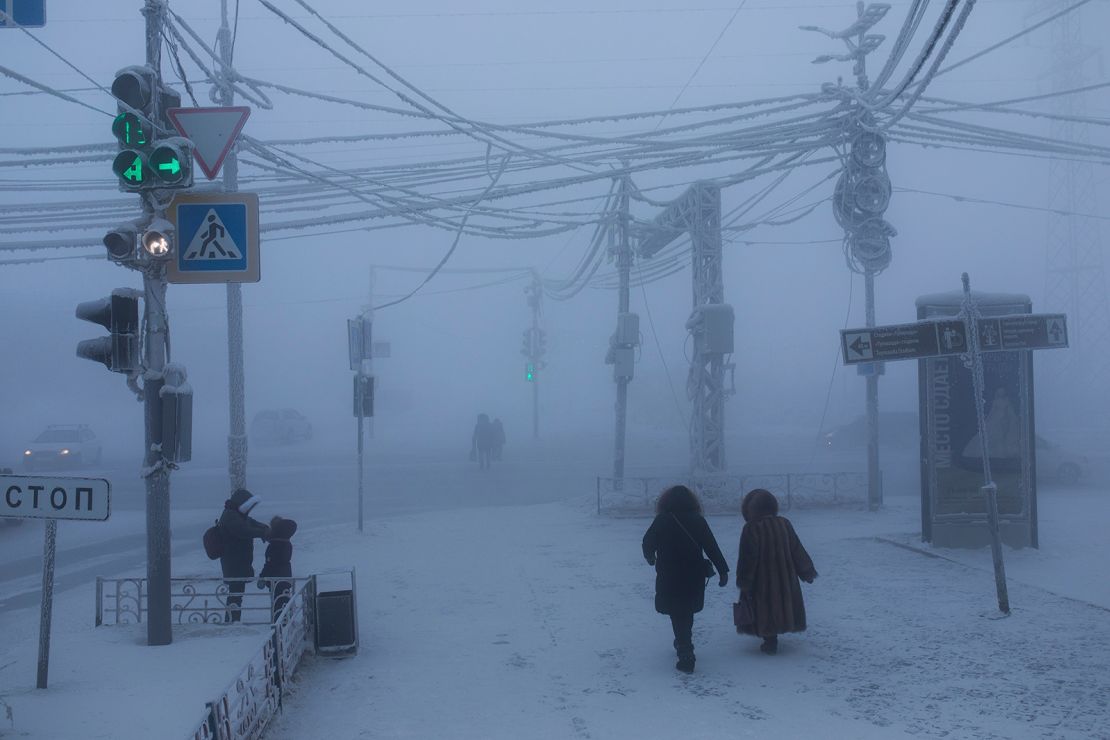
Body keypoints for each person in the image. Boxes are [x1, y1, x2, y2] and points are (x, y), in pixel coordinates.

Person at [642, 485, 729, 674]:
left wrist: (651, 557)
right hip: (693, 573)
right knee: (686, 610)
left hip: (669, 574)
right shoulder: (698, 521)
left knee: (676, 611)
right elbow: (711, 547)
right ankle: (683, 642)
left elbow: (647, 542)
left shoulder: (662, 520)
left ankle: (685, 647)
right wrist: (723, 571)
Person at [735, 488, 817, 655]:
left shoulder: (751, 528)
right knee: (782, 602)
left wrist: (744, 582)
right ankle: (774, 635)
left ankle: (770, 640)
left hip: (762, 579)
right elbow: (797, 549)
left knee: (765, 605)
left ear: (749, 509)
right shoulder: (784, 523)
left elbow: (747, 558)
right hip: (786, 577)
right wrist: (807, 571)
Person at [218, 488, 270, 623]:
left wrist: (264, 528)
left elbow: (251, 522)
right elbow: (244, 531)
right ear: (243, 503)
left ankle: (233, 620)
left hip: (239, 561)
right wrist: (262, 533)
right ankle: (231, 621)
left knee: (236, 594)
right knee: (235, 595)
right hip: (234, 563)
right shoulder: (231, 516)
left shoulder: (237, 514)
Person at [258, 515, 298, 622]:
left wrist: (262, 576)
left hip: (275, 579)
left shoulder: (275, 545)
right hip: (285, 577)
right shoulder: (286, 543)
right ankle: (284, 623)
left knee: (278, 605)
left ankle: (278, 627)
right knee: (283, 602)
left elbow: (270, 564)